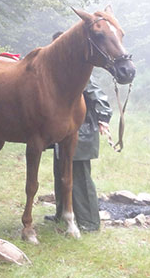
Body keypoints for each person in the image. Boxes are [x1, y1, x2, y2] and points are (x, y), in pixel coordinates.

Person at [45, 31, 113, 232]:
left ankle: (90, 223)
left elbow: (98, 97)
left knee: (80, 178)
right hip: (63, 133)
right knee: (61, 174)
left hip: (81, 132)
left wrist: (103, 119)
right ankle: (61, 214)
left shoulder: (78, 71)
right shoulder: (57, 71)